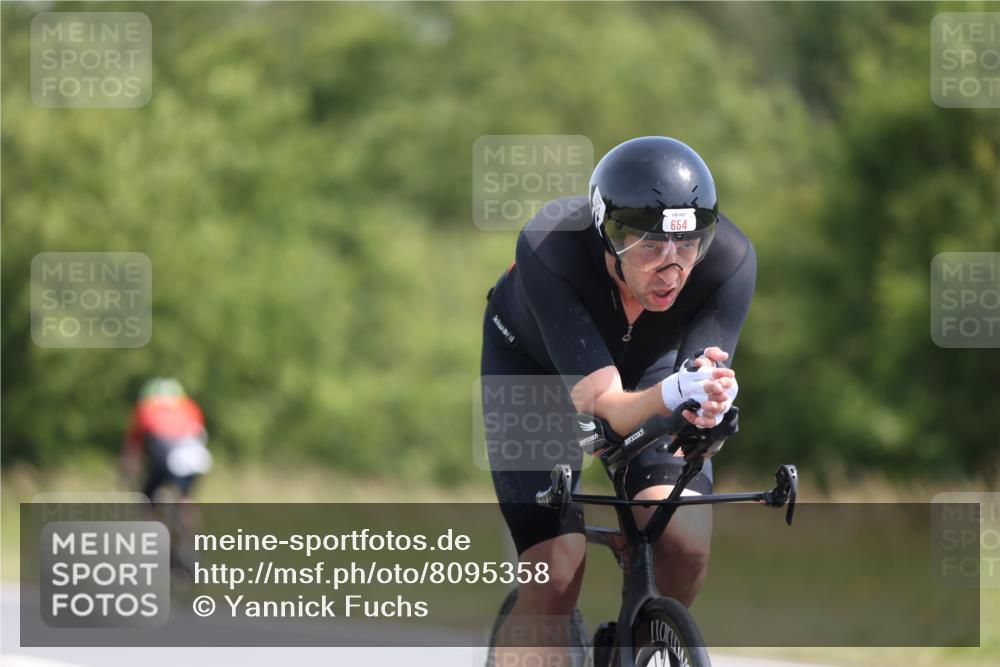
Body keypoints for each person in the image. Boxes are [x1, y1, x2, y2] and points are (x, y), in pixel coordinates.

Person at [482, 136, 755, 663]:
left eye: (687, 245)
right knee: (556, 573)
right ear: (610, 235)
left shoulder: (730, 261)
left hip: (647, 368)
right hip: (534, 373)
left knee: (683, 541)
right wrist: (675, 392)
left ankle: (640, 644)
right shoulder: (551, 246)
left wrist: (709, 405)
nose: (672, 269)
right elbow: (602, 403)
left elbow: (691, 394)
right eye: (651, 247)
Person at [121, 377, 212, 502]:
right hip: (193, 459)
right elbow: (200, 436)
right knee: (184, 498)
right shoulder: (190, 407)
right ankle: (185, 515)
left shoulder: (146, 408)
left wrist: (126, 474)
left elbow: (132, 448)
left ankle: (150, 517)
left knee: (148, 496)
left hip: (164, 454)